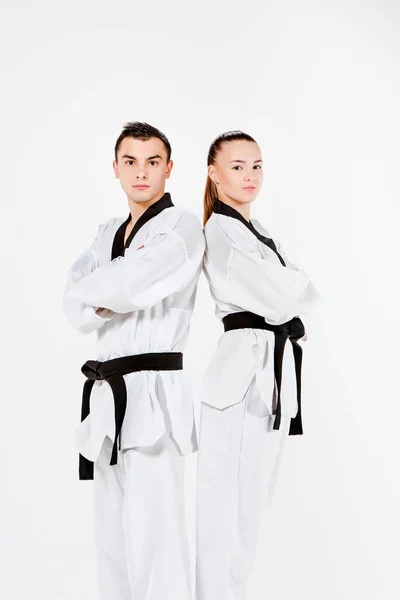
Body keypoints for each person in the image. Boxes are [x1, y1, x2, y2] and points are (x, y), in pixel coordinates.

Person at [63, 121, 205, 600]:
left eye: (152, 162)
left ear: (168, 169)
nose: (141, 172)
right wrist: (107, 294)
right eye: (130, 161)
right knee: (112, 542)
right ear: (116, 168)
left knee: (156, 539)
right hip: (108, 399)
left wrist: (106, 293)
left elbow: (130, 285)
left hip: (154, 396)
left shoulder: (182, 225)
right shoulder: (106, 233)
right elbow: (73, 301)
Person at [195, 130, 321, 600]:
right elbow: (283, 293)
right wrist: (293, 291)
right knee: (224, 511)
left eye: (257, 165)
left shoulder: (260, 231)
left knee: (253, 510)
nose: (250, 176)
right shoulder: (218, 230)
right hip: (240, 378)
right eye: (237, 166)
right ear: (214, 173)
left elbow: (289, 296)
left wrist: (291, 293)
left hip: (270, 376)